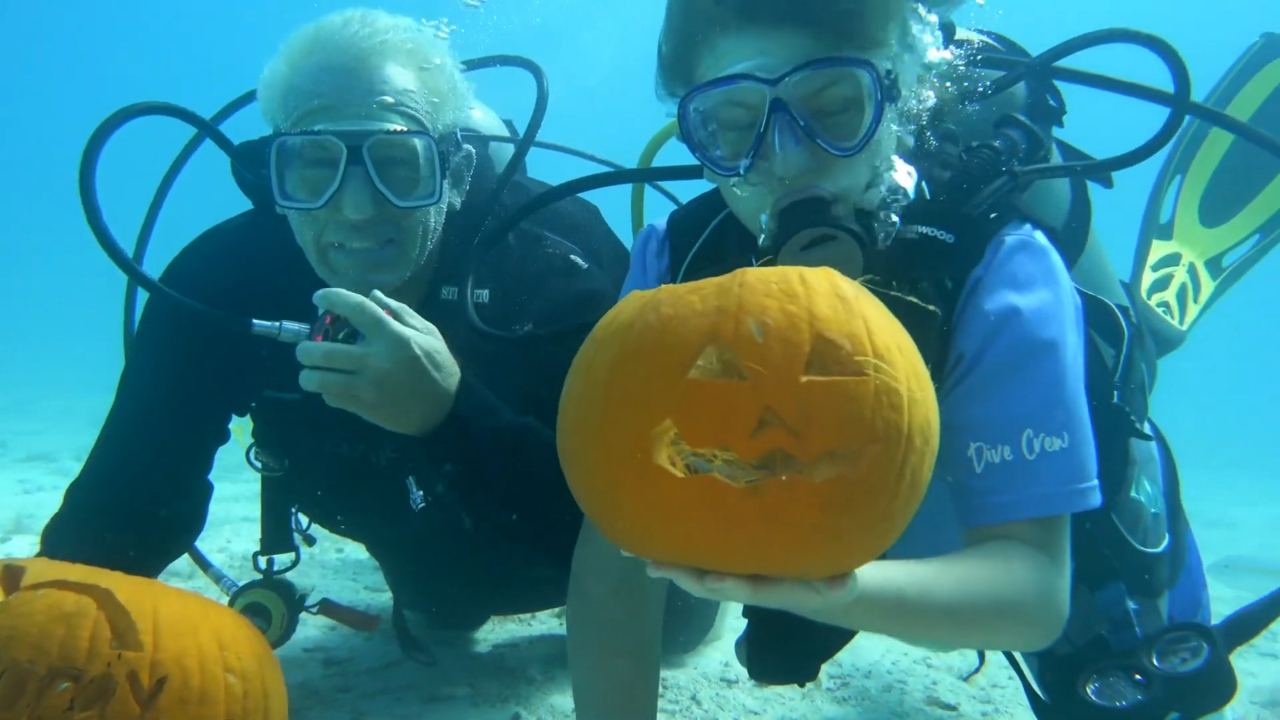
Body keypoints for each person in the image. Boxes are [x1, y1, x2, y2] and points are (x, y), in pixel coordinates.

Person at [567, 2, 1267, 719]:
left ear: (896, 99)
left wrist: (839, 593)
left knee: (1144, 679)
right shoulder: (676, 265)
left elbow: (1029, 594)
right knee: (777, 644)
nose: (788, 159)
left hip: (1002, 551)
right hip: (834, 540)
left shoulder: (997, 272)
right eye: (738, 127)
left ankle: (1134, 333)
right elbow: (614, 559)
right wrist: (811, 591)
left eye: (835, 109)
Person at [39, 6, 718, 663]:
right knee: (441, 608)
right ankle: (434, 596)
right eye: (313, 162)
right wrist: (50, 632)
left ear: (452, 173)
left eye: (397, 163)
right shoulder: (220, 282)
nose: (357, 210)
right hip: (410, 543)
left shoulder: (550, 261)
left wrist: (450, 415)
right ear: (275, 178)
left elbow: (631, 518)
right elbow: (130, 499)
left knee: (678, 617)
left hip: (564, 533)